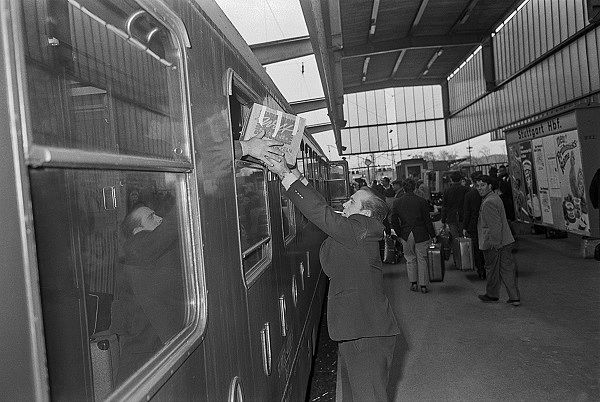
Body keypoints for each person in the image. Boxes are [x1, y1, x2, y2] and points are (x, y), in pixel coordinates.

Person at [266, 158, 400, 401]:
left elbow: (322, 213)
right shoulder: (360, 231)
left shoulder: (361, 228)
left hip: (365, 332)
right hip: (360, 329)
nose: (345, 203)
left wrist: (286, 175)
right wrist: (297, 174)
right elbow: (326, 209)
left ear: (366, 212)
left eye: (352, 201)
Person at [111, 204, 185, 384]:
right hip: (144, 345)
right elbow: (168, 229)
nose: (159, 218)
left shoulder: (150, 251)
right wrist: (186, 200)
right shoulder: (136, 246)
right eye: (152, 217)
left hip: (148, 341)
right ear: (138, 230)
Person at [475, 175, 521, 306]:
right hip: (506, 240)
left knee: (491, 269)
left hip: (494, 243)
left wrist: (495, 244)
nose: (479, 188)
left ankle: (492, 294)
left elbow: (494, 226)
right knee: (507, 269)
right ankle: (514, 297)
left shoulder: (488, 202)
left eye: (483, 185)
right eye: (477, 186)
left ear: (490, 186)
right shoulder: (495, 198)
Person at [390, 178, 436, 293]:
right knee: (422, 259)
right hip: (421, 233)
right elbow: (427, 220)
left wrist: (399, 234)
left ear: (403, 188)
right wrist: (433, 234)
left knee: (410, 259)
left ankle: (413, 283)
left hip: (406, 234)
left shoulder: (397, 202)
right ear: (415, 188)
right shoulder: (422, 201)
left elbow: (394, 220)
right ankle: (424, 285)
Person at [441, 171, 469, 268]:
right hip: (463, 217)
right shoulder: (466, 190)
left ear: (451, 180)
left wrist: (443, 220)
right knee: (464, 237)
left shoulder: (447, 191)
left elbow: (444, 206)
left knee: (455, 239)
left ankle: (457, 261)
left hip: (451, 217)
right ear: (461, 179)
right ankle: (466, 260)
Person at [463, 171, 485, 280]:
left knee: (477, 248)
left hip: (473, 225)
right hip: (487, 224)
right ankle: (489, 268)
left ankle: (481, 270)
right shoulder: (488, 193)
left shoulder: (469, 195)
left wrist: (465, 227)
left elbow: (467, 212)